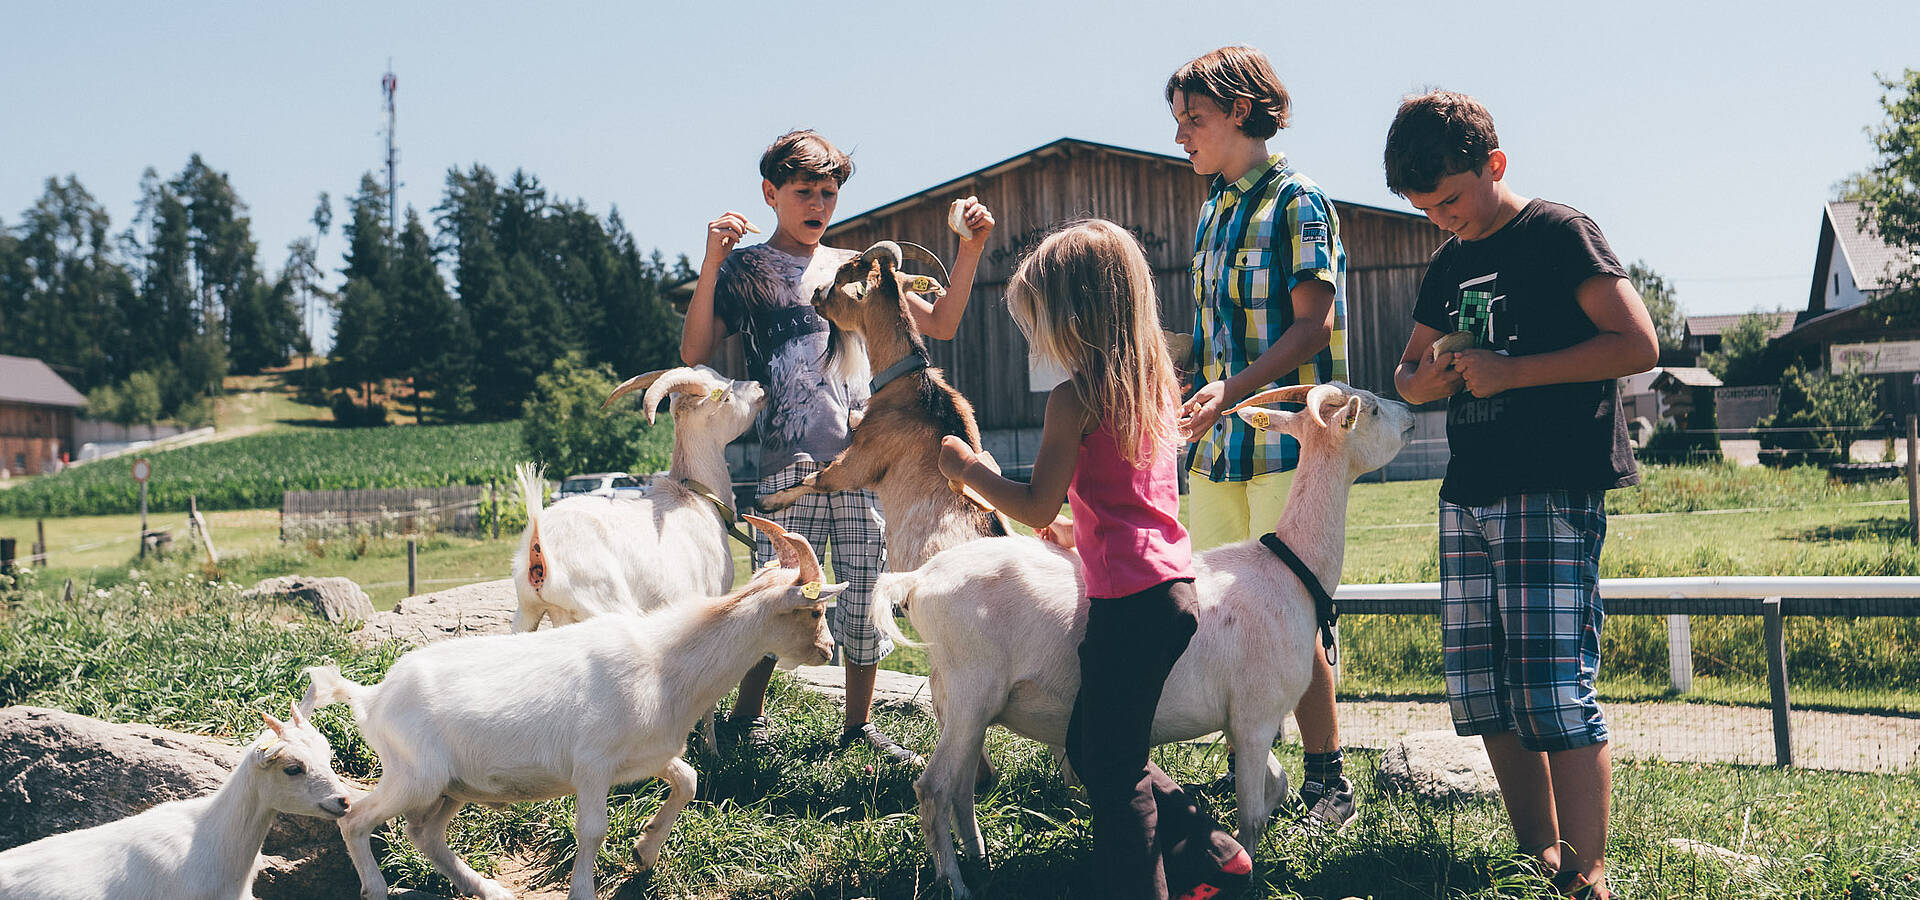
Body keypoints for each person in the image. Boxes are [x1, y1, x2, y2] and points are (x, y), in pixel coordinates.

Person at [1386, 90, 1657, 900]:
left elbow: (1637, 344)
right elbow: (1406, 372)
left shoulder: (1558, 235)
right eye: (1426, 209)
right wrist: (1427, 380)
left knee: (1550, 684)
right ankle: (1537, 856)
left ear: (1493, 165)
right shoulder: (1447, 262)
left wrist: (1515, 372)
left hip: (1552, 486)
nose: (1443, 219)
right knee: (1485, 688)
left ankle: (1588, 871)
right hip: (1468, 489)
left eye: (1451, 200)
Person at [939, 220, 1251, 900]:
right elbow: (1133, 500)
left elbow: (1026, 501)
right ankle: (1212, 852)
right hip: (1170, 589)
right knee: (1095, 748)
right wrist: (1074, 531)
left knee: (1115, 774)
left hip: (1128, 606)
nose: (1038, 337)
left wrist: (967, 468)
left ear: (1073, 314)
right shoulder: (1151, 385)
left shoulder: (1074, 397)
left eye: (1040, 319)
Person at [680, 129, 995, 764]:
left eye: (828, 192)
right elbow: (693, 352)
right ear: (771, 194)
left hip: (866, 461)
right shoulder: (748, 271)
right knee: (779, 592)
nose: (818, 203)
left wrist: (969, 252)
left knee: (863, 590)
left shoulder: (855, 269)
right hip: (787, 460)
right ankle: (747, 714)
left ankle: (857, 725)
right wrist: (713, 261)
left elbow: (941, 324)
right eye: (803, 191)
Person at [1166, 44, 1356, 829]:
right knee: (1220, 613)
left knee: (1291, 617)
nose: (1182, 136)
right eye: (1178, 122)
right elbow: (1219, 338)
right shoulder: (1212, 204)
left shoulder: (1298, 200)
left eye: (1194, 119)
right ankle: (1259, 774)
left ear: (1242, 111)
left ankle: (1329, 781)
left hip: (1285, 442)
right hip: (1218, 447)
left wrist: (1232, 390)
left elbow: (1313, 327)